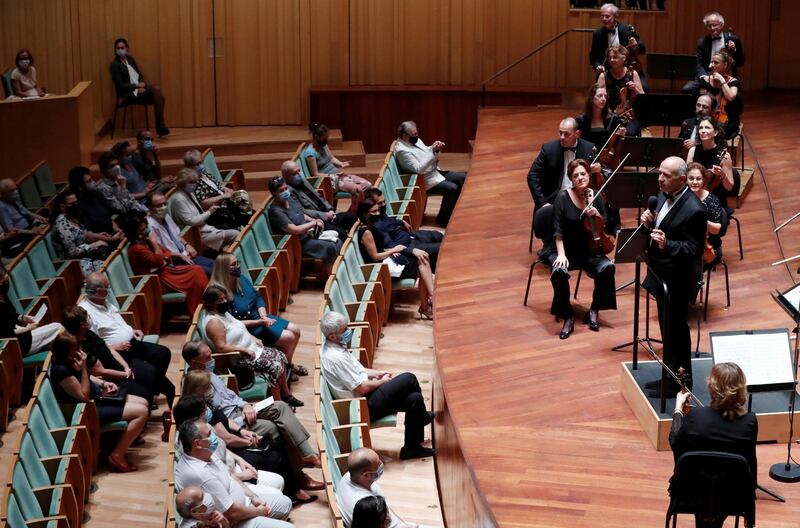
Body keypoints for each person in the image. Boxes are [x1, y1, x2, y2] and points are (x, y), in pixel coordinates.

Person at [181, 340, 324, 490]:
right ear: (194, 361)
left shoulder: (209, 373)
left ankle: (307, 455)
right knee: (277, 427)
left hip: (242, 411)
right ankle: (299, 476)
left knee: (281, 407)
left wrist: (246, 405)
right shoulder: (195, 390)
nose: (213, 359)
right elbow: (218, 422)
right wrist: (241, 422)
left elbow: (231, 396)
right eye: (208, 357)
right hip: (236, 422)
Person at [320, 312, 436, 460]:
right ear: (332, 336)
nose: (349, 331)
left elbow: (357, 371)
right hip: (361, 406)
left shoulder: (334, 345)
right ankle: (422, 417)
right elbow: (361, 388)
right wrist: (383, 382)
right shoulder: (336, 358)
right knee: (409, 378)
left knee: (415, 399)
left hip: (364, 399)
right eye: (345, 329)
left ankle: (411, 448)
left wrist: (378, 373)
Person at [177, 382, 316, 505]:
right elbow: (224, 450)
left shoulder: (204, 424)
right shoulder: (197, 438)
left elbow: (221, 443)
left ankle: (296, 482)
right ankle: (293, 490)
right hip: (230, 470)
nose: (208, 411)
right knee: (273, 454)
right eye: (204, 411)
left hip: (232, 458)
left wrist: (241, 446)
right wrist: (243, 468)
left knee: (274, 441)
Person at [639, 157, 706, 397]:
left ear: (681, 179)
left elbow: (694, 250)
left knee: (677, 331)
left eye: (666, 176)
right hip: (661, 275)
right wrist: (648, 225)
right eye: (660, 173)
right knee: (668, 331)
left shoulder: (695, 209)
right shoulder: (662, 195)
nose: (660, 178)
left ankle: (681, 382)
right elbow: (661, 229)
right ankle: (669, 376)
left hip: (677, 281)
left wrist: (668, 244)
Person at [670, 362, 757, 528]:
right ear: (740, 389)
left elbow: (675, 441)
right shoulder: (749, 421)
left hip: (692, 493)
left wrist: (678, 408)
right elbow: (750, 461)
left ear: (712, 387)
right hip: (731, 495)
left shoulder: (695, 416)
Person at [49, 333, 149, 472]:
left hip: (96, 399)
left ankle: (124, 439)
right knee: (141, 412)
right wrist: (84, 367)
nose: (80, 351)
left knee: (143, 402)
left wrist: (104, 383)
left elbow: (89, 378)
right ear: (66, 352)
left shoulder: (69, 360)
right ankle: (117, 455)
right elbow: (83, 396)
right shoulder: (61, 370)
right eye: (76, 349)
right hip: (87, 410)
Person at [542, 160, 616, 339]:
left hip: (589, 248)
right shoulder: (563, 197)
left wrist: (597, 214)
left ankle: (594, 310)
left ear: (589, 175)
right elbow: (557, 229)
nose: (580, 178)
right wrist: (561, 254)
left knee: (607, 267)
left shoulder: (596, 196)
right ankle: (567, 315)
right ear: (571, 179)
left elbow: (605, 225)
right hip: (565, 248)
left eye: (583, 174)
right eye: (575, 176)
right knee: (559, 271)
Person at [174, 420, 294, 528]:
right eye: (209, 435)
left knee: (286, 503)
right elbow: (231, 513)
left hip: (244, 503)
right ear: (198, 444)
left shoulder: (205, 453)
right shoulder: (200, 474)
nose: (214, 436)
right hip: (236, 520)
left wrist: (253, 497)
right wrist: (259, 512)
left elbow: (230, 476)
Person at [79, 271, 175, 405]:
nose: (109, 290)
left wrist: (132, 330)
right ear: (98, 291)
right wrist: (115, 347)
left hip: (131, 343)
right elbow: (94, 344)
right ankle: (153, 389)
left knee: (162, 353)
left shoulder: (104, 302)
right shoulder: (86, 313)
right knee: (153, 374)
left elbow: (118, 323)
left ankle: (152, 389)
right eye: (107, 288)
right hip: (119, 351)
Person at [201, 285, 301, 407]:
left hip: (251, 349)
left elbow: (238, 324)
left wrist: (254, 333)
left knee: (279, 355)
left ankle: (286, 394)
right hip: (238, 359)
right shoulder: (213, 323)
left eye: (225, 298)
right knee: (274, 366)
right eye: (220, 300)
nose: (225, 302)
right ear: (211, 303)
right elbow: (221, 347)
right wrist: (243, 349)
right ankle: (279, 405)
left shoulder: (223, 313)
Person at [208, 253, 302, 370]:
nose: (237, 266)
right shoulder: (220, 294)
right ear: (223, 269)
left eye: (237, 263)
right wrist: (259, 322)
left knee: (296, 330)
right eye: (233, 265)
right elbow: (233, 322)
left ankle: (288, 365)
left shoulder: (240, 278)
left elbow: (257, 297)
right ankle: (287, 367)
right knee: (289, 337)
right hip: (250, 328)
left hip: (261, 319)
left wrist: (263, 316)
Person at [62, 304, 158, 406]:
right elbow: (101, 371)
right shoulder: (80, 347)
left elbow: (110, 349)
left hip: (119, 368)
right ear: (82, 324)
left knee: (151, 375)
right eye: (88, 317)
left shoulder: (89, 333)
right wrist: (125, 375)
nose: (90, 319)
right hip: (110, 378)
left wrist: (126, 367)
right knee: (144, 392)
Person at [527, 118, 598, 254]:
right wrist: (543, 203)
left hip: (579, 197)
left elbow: (595, 180)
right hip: (554, 198)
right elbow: (532, 176)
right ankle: (550, 249)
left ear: (577, 134)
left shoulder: (589, 148)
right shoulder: (548, 149)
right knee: (552, 213)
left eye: (566, 134)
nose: (561, 137)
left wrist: (598, 170)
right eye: (560, 133)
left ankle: (579, 248)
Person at [118, 211, 208, 316]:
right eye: (143, 230)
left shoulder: (144, 241)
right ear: (135, 232)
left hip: (165, 272)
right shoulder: (136, 249)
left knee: (197, 270)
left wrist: (172, 256)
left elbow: (164, 252)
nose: (147, 231)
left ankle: (203, 306)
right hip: (156, 281)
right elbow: (159, 261)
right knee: (196, 273)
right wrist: (155, 243)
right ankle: (199, 313)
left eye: (146, 227)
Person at [356, 200, 434, 319]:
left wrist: (390, 250)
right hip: (380, 269)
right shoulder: (366, 231)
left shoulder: (373, 225)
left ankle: (427, 305)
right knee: (422, 262)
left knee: (422, 260)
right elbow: (374, 257)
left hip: (387, 259)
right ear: (365, 214)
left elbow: (381, 246)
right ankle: (430, 301)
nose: (378, 213)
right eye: (374, 211)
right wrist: (393, 250)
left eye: (378, 210)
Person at [394, 120, 466, 228]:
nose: (416, 136)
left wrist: (434, 148)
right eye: (413, 134)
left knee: (463, 178)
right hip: (424, 181)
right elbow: (418, 169)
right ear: (404, 135)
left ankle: (451, 213)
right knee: (452, 188)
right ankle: (443, 219)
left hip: (435, 172)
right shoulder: (402, 151)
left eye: (416, 133)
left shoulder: (415, 140)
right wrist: (431, 152)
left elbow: (426, 151)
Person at [267, 176, 341, 279]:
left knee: (337, 241)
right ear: (274, 194)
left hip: (308, 234)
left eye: (285, 189)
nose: (285, 192)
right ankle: (330, 278)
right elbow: (294, 230)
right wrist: (313, 224)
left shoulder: (290, 199)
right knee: (330, 247)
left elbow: (301, 214)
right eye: (281, 191)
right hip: (297, 242)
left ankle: (324, 274)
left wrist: (313, 220)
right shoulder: (276, 212)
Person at [169, 168, 240, 254]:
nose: (195, 185)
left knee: (231, 224)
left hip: (204, 227)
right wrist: (209, 212)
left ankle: (225, 258)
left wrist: (211, 210)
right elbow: (191, 221)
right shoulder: (179, 199)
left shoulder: (189, 193)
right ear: (182, 183)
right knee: (235, 234)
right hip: (194, 235)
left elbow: (199, 211)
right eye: (191, 182)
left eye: (195, 182)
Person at [303, 123, 371, 212]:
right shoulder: (310, 153)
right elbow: (315, 174)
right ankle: (353, 215)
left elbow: (331, 158)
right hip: (329, 181)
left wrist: (341, 164)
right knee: (358, 190)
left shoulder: (323, 146)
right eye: (325, 137)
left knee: (367, 185)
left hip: (338, 176)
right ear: (316, 136)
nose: (326, 140)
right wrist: (332, 176)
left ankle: (351, 212)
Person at [110, 37, 169, 137]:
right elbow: (121, 85)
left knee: (160, 97)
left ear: (126, 48)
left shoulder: (130, 59)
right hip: (128, 94)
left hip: (138, 90)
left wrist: (141, 85)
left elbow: (139, 75)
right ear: (115, 50)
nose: (120, 50)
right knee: (157, 91)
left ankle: (160, 127)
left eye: (122, 47)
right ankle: (160, 127)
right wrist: (136, 86)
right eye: (118, 48)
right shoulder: (114, 65)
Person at [51, 190, 118, 276]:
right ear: (62, 207)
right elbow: (72, 252)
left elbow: (82, 235)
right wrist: (92, 245)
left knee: (111, 259)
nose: (76, 205)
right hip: (74, 263)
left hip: (86, 255)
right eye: (72, 204)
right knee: (103, 272)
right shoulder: (61, 223)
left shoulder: (72, 217)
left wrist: (99, 236)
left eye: (76, 202)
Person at [0, 265, 63, 356]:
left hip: (24, 336)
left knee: (56, 340)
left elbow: (10, 315)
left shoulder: (3, 294)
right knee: (58, 328)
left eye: (7, 280)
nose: (6, 284)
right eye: (3, 282)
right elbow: (6, 332)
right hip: (16, 345)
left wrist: (23, 318)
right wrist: (29, 328)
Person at [146, 191, 214, 276]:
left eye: (165, 204)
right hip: (174, 262)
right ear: (150, 208)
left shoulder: (166, 216)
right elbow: (159, 253)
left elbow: (176, 234)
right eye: (159, 205)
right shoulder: (149, 226)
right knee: (211, 272)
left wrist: (186, 245)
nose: (163, 207)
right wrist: (177, 255)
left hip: (186, 255)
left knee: (217, 265)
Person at [282, 160, 356, 236]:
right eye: (295, 173)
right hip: (316, 221)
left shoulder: (302, 180)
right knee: (342, 233)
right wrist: (325, 215)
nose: (299, 174)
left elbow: (318, 196)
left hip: (327, 214)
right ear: (286, 177)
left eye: (299, 170)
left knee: (352, 217)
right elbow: (303, 212)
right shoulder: (288, 192)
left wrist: (330, 209)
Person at [335, 448, 405, 528]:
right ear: (366, 475)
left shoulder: (350, 476)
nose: (382, 463)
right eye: (378, 464)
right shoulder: (365, 504)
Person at [684, 12, 745, 94]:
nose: (712, 28)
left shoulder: (733, 39)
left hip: (726, 75)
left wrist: (734, 50)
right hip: (708, 74)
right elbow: (700, 63)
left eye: (715, 25)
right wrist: (703, 77)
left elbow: (740, 62)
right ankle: (700, 106)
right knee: (687, 88)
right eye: (709, 26)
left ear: (721, 25)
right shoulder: (702, 42)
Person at [588, 3, 647, 86]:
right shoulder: (597, 34)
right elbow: (593, 56)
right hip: (608, 71)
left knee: (644, 88)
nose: (604, 19)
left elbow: (642, 49)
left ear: (615, 16)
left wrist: (635, 44)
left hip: (628, 70)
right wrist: (597, 66)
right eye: (602, 16)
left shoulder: (626, 29)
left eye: (607, 16)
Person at [686, 117, 737, 203]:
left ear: (715, 132)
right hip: (694, 197)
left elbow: (729, 187)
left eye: (707, 127)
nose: (703, 130)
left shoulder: (724, 156)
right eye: (701, 128)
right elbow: (687, 178)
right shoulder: (693, 151)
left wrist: (722, 174)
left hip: (714, 200)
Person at [596, 45, 643, 136]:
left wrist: (635, 88)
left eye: (615, 57)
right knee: (604, 132)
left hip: (629, 116)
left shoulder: (632, 73)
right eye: (609, 58)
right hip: (609, 115)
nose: (612, 60)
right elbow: (596, 98)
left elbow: (643, 96)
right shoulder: (604, 76)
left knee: (629, 133)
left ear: (624, 58)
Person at [686, 162, 724, 269]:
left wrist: (701, 221)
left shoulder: (712, 200)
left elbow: (717, 230)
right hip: (686, 245)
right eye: (691, 178)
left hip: (709, 247)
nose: (695, 182)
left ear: (703, 181)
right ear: (685, 180)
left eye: (698, 179)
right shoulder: (681, 199)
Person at [701, 50, 744, 140]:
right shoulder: (705, 80)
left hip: (727, 121)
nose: (712, 65)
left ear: (725, 65)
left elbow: (731, 97)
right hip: (708, 117)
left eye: (716, 63)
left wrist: (722, 81)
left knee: (715, 132)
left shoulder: (733, 82)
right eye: (712, 62)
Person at [0, 177, 48, 257]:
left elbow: (27, 212)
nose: (16, 192)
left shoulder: (13, 199)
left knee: (48, 224)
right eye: (12, 190)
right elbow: (11, 230)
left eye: (16, 188)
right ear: (4, 193)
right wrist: (32, 232)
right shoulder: (2, 207)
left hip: (30, 227)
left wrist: (42, 218)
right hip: (20, 236)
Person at [575, 84, 628, 151]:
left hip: (607, 158)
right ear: (591, 97)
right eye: (600, 96)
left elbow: (616, 145)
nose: (603, 99)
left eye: (605, 96)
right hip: (586, 157)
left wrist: (621, 135)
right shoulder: (581, 120)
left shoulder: (613, 119)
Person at [67, 166, 117, 235]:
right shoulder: (79, 206)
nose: (93, 182)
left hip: (112, 234)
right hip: (102, 240)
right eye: (89, 181)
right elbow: (89, 234)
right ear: (80, 187)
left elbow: (108, 217)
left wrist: (117, 230)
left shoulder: (96, 195)